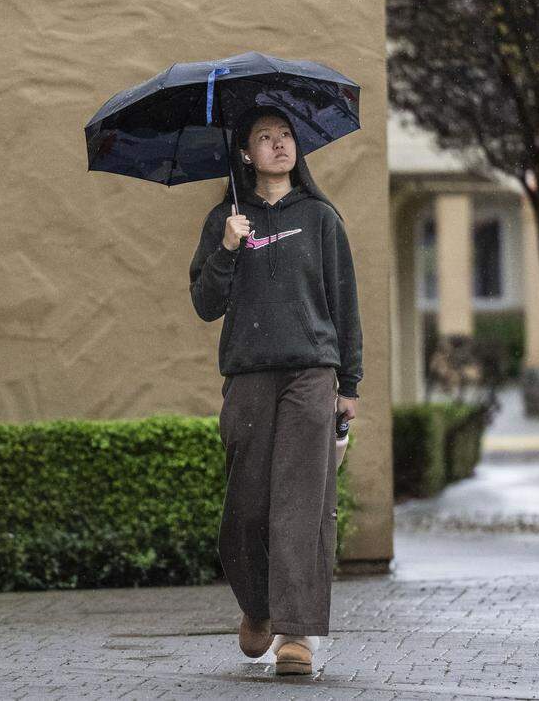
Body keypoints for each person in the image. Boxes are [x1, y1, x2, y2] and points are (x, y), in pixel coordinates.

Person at [188, 104, 362, 675]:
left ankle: (296, 633)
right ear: (245, 153)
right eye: (265, 138)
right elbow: (205, 304)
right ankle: (257, 607)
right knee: (245, 511)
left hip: (311, 373)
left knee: (301, 507)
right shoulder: (226, 222)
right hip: (248, 375)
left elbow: (344, 303)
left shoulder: (320, 218)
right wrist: (229, 249)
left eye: (286, 135)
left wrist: (349, 383)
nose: (279, 145)